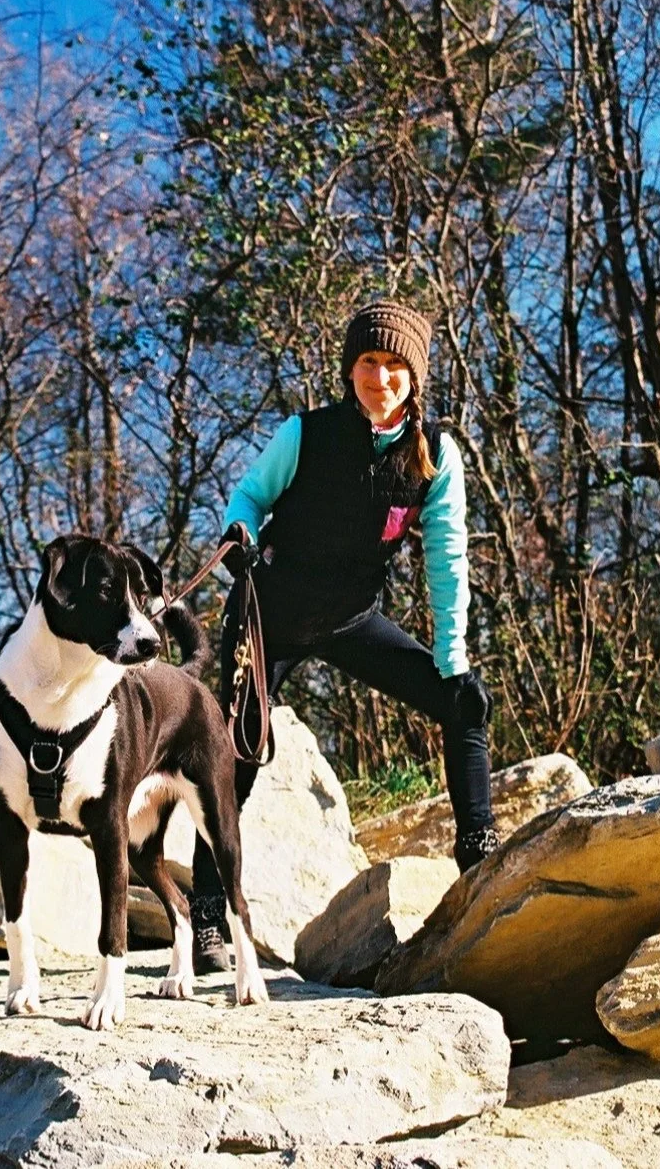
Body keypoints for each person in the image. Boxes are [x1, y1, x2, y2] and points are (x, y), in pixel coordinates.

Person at [190, 299, 499, 974]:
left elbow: (446, 559)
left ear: (414, 377)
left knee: (463, 702)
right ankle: (208, 918)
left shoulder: (436, 456)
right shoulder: (305, 433)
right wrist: (239, 533)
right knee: (234, 756)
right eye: (368, 362)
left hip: (351, 619)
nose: (380, 377)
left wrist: (452, 656)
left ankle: (479, 854)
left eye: (394, 366)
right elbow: (248, 496)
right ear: (350, 368)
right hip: (269, 617)